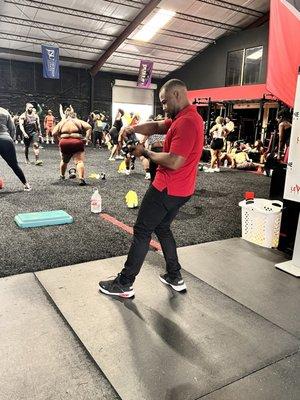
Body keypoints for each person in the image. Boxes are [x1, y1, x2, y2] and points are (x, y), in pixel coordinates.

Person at [99, 79, 204, 298]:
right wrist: (131, 128)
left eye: (165, 102)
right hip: (182, 191)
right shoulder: (184, 117)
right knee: (163, 228)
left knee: (142, 231)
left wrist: (144, 152)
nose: (164, 107)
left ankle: (124, 283)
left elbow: (174, 161)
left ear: (177, 95)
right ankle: (174, 276)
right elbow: (157, 125)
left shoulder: (187, 122)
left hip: (167, 188)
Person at [52, 110, 92, 186]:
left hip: (64, 143)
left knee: (64, 160)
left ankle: (62, 176)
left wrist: (58, 141)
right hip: (76, 142)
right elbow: (89, 127)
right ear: (74, 115)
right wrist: (86, 138)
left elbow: (54, 133)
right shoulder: (78, 121)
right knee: (79, 161)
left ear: (66, 116)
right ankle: (81, 178)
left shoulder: (62, 123)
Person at [0, 107, 31, 191]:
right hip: (6, 139)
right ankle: (26, 184)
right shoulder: (5, 111)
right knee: (14, 165)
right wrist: (11, 140)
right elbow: (12, 128)